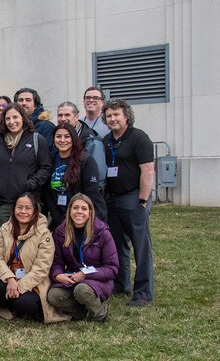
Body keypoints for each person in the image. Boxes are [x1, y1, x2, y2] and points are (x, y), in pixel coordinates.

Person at [102, 99, 155, 306]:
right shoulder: (107, 140)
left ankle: (143, 292)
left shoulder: (139, 137)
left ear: (126, 116)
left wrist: (142, 199)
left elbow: (148, 170)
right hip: (112, 199)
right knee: (117, 244)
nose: (112, 118)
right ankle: (121, 283)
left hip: (134, 197)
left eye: (116, 115)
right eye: (109, 115)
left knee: (141, 247)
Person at [0, 193, 69, 323]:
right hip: (11, 277)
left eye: (28, 208)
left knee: (25, 303)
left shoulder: (44, 233)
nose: (23, 211)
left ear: (34, 211)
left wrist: (19, 286)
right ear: (14, 209)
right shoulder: (5, 229)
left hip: (34, 283)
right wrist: (10, 279)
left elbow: (42, 268)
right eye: (19, 207)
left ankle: (22, 305)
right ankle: (13, 302)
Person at [47, 194, 119, 322]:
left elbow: (112, 268)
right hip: (72, 278)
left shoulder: (102, 233)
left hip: (98, 279)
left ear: (90, 212)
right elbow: (57, 261)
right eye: (75, 208)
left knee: (82, 290)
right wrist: (58, 275)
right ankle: (81, 313)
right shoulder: (60, 232)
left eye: (84, 209)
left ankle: (100, 314)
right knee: (53, 296)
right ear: (69, 211)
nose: (79, 212)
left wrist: (85, 275)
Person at [0, 103, 51, 228]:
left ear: (23, 118)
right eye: (8, 118)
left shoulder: (37, 140)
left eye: (15, 117)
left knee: (28, 243)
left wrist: (29, 184)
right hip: (2, 204)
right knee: (5, 242)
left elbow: (46, 168)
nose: (12, 121)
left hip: (27, 202)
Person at [42, 123, 106, 230]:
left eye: (67, 136)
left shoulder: (85, 160)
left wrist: (76, 218)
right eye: (58, 136)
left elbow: (90, 193)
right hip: (60, 217)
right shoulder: (51, 159)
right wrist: (58, 218)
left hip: (84, 216)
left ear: (73, 138)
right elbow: (48, 194)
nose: (62, 140)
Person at [55, 102, 107, 191]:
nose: (63, 119)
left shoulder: (91, 140)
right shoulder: (57, 137)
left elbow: (99, 176)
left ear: (76, 117)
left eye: (67, 115)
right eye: (60, 115)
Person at [14, 87, 56, 152]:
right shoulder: (11, 125)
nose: (24, 103)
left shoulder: (46, 126)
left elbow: (48, 154)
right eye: (20, 100)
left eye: (28, 100)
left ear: (35, 105)